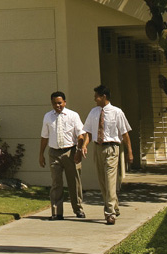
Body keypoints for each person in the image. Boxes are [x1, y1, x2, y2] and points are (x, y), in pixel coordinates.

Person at [78, 84, 133, 225]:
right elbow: (89, 132)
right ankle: (114, 206)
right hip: (98, 148)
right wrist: (84, 145)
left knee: (110, 180)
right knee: (102, 182)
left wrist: (129, 152)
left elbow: (125, 133)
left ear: (103, 97)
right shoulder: (94, 112)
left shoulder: (117, 112)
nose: (94, 99)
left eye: (96, 96)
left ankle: (109, 213)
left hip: (112, 148)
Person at [39, 90, 85, 220]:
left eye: (60, 103)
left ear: (64, 102)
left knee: (74, 182)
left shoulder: (73, 115)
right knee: (56, 182)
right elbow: (44, 136)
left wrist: (79, 151)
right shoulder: (48, 116)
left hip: (70, 152)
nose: (57, 106)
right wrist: (41, 154)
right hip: (54, 152)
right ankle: (57, 212)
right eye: (54, 103)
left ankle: (78, 209)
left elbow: (80, 134)